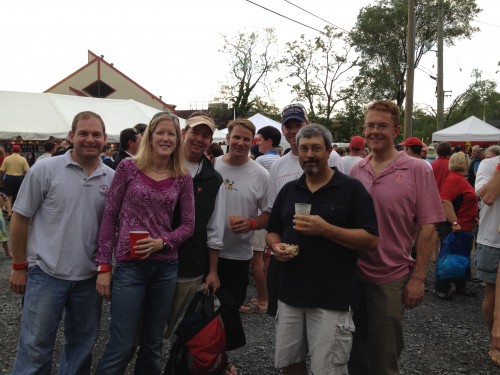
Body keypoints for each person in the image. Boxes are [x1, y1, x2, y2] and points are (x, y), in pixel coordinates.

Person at [266, 123, 379, 374]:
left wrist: (325, 229)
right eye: (303, 148)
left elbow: (371, 239)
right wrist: (276, 246)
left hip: (332, 297)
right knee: (289, 363)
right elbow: (272, 230)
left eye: (316, 148)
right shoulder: (289, 190)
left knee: (327, 368)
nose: (309, 155)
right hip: (290, 293)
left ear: (329, 151)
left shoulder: (351, 189)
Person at [9, 111, 114, 374]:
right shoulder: (45, 169)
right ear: (71, 136)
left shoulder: (112, 179)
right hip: (46, 273)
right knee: (35, 347)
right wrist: (19, 265)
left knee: (81, 348)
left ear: (104, 139)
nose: (90, 139)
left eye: (96, 134)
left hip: (89, 278)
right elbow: (20, 217)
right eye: (84, 133)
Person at [349, 100, 445, 375]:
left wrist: (417, 278)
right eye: (370, 126)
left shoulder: (417, 169)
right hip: (353, 274)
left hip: (390, 276)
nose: (375, 131)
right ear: (364, 130)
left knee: (384, 357)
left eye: (382, 126)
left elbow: (428, 228)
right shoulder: (357, 170)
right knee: (353, 352)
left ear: (396, 130)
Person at [94, 112, 194, 374]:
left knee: (153, 344)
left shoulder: (182, 176)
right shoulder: (128, 168)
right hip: (130, 267)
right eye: (160, 132)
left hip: (165, 267)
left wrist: (163, 242)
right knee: (123, 343)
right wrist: (104, 265)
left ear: (178, 139)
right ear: (150, 136)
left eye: (171, 133)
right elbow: (110, 216)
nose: (166, 138)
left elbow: (188, 225)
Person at [165, 113, 224, 337]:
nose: (199, 139)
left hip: (189, 265)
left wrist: (212, 271)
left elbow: (214, 228)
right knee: (141, 332)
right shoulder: (160, 164)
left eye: (206, 135)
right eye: (195, 132)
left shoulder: (213, 179)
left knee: (178, 331)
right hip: (151, 263)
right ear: (183, 133)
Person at [214, 118, 269, 336]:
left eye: (246, 139)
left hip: (238, 255)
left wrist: (251, 224)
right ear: (227, 138)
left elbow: (268, 214)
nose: (240, 142)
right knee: (202, 311)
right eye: (236, 137)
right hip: (207, 251)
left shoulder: (261, 174)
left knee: (230, 310)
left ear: (252, 142)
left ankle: (222, 360)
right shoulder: (212, 165)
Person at [265, 103, 310, 317]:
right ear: (282, 130)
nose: (293, 130)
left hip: (319, 250)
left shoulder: (332, 159)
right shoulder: (278, 166)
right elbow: (274, 214)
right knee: (286, 315)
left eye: (297, 124)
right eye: (288, 126)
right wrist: (276, 246)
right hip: (285, 250)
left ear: (307, 124)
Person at [239, 125, 281, 314]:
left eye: (259, 140)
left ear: (269, 141)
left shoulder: (262, 161)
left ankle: (264, 299)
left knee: (256, 259)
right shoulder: (280, 160)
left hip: (259, 214)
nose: (257, 144)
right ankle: (268, 296)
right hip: (273, 213)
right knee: (266, 257)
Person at [434, 152, 478, 299]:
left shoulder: (458, 179)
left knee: (460, 257)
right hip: (455, 227)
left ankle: (460, 285)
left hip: (463, 226)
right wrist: (454, 222)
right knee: (449, 258)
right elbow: (445, 201)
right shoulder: (455, 179)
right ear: (464, 163)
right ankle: (442, 288)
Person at [474, 152, 500, 366]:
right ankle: (495, 342)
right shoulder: (489, 164)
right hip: (493, 239)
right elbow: (488, 197)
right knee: (491, 290)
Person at [0, 144, 29, 220]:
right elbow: (27, 170)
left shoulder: (7, 159)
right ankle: (17, 213)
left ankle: (10, 213)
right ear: (19, 151)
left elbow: (2, 170)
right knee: (18, 196)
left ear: (12, 150)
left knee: (8, 197)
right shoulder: (23, 159)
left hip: (9, 178)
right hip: (19, 178)